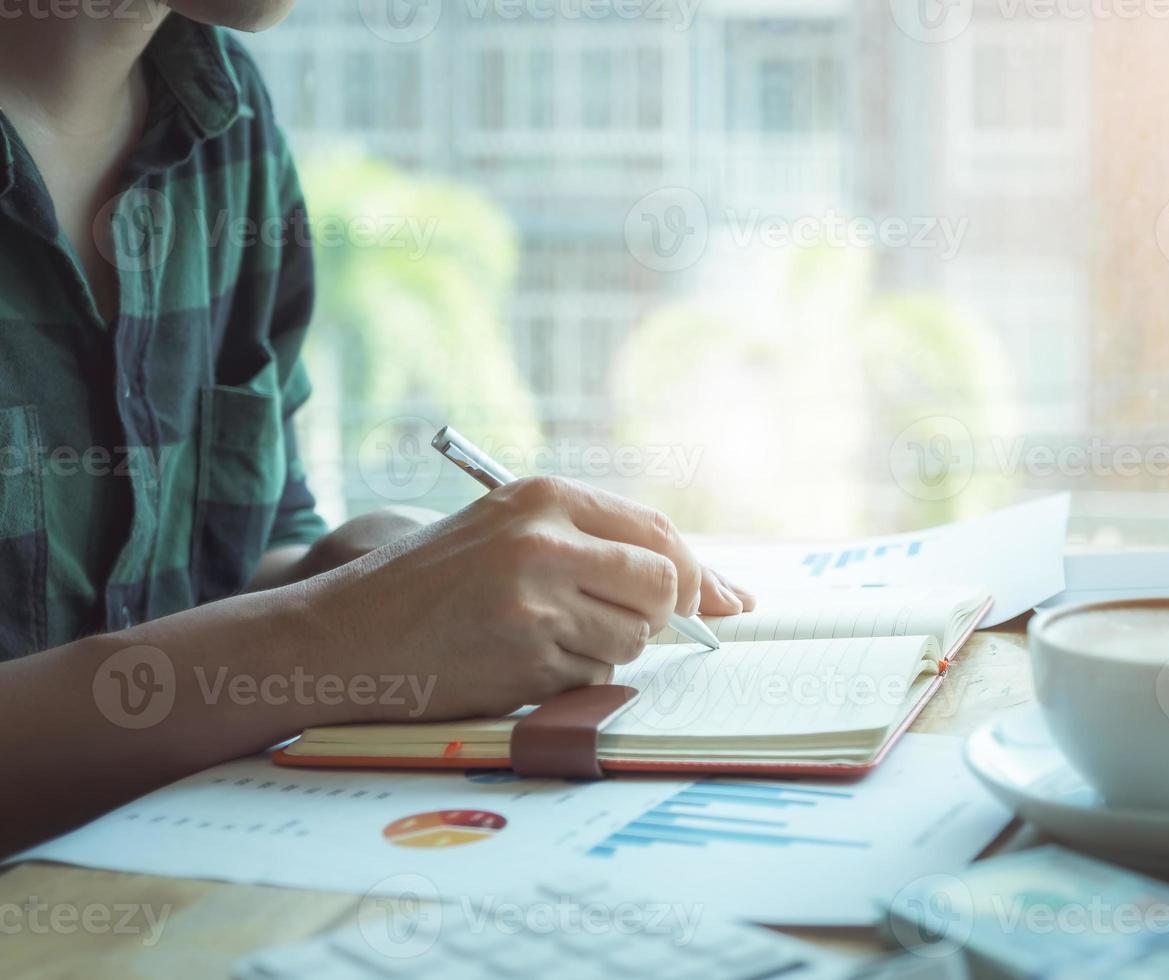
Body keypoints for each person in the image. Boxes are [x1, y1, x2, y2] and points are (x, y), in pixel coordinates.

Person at [0, 1, 751, 855]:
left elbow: (239, 561)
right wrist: (330, 636)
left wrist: (392, 567)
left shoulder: (218, 113)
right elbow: (282, 636)